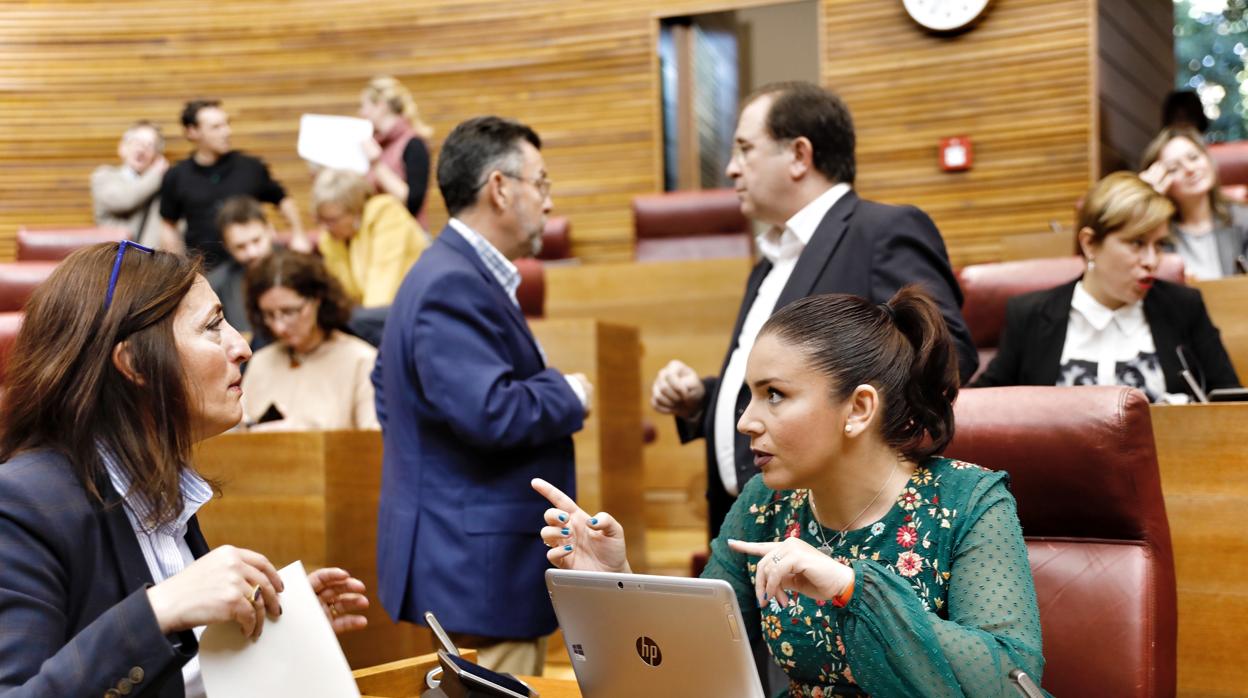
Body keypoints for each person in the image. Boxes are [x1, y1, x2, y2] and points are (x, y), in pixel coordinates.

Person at [536, 287, 1045, 696]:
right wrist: (617, 583)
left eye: (774, 395)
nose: (745, 422)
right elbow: (699, 658)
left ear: (859, 408)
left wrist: (850, 587)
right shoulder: (766, 502)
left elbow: (1010, 681)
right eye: (749, 395)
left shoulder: (969, 501)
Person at [0, 242, 368, 697]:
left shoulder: (156, 485)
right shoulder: (20, 504)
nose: (242, 346)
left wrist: (278, 633)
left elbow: (179, 680)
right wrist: (157, 610)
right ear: (134, 364)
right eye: (213, 325)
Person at [650, 81, 977, 540]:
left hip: (839, 524)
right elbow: (792, 377)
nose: (730, 169)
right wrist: (704, 399)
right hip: (745, 518)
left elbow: (944, 354)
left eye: (745, 150)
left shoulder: (882, 230)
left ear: (800, 155)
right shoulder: (769, 261)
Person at [372, 115, 592, 675]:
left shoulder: (451, 271)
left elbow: (386, 386)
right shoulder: (454, 280)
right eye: (541, 183)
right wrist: (566, 392)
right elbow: (491, 412)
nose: (548, 201)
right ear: (500, 187)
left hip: (466, 555)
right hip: (478, 565)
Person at [971, 172, 1239, 401]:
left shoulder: (1184, 307)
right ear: (1089, 244)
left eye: (1158, 245)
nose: (1151, 261)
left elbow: (1231, 403)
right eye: (1136, 243)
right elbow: (983, 405)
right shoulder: (1030, 314)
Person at [159, 99, 310, 269]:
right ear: (192, 132)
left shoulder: (251, 167)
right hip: (206, 271)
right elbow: (169, 225)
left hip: (255, 266)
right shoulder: (176, 175)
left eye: (227, 124)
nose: (227, 132)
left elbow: (283, 199)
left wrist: (299, 235)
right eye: (216, 127)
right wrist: (177, 266)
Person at [241, 249, 379, 431]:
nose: (279, 327)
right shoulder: (261, 362)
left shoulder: (361, 360)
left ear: (317, 300)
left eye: (289, 312)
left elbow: (372, 445)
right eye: (269, 315)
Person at [1139, 126, 1248, 280]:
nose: (1190, 169)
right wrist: (1145, 198)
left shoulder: (1244, 220)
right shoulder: (1156, 232)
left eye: (1194, 158)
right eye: (1173, 168)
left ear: (1208, 160)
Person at [312, 168, 428, 308]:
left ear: (355, 210)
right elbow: (340, 293)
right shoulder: (331, 239)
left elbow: (383, 284)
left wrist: (363, 324)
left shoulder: (386, 214)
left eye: (332, 220)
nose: (324, 227)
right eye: (320, 219)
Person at [358, 75, 434, 221]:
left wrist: (377, 165)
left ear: (381, 106)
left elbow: (412, 204)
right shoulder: (375, 145)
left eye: (364, 106)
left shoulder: (414, 143)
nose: (361, 113)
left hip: (406, 239)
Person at [207, 195, 277, 338]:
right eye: (240, 247)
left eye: (256, 241)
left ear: (270, 230)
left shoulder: (299, 269)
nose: (252, 253)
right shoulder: (216, 284)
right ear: (227, 247)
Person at [91, 120, 169, 248]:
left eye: (149, 145)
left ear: (157, 156)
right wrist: (156, 174)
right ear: (122, 148)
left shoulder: (163, 184)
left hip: (150, 263)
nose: (141, 149)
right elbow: (124, 201)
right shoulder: (104, 176)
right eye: (136, 142)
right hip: (113, 259)